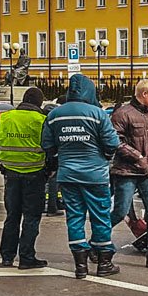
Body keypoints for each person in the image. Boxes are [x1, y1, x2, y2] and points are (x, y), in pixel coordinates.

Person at [42, 74, 121, 279]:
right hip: (95, 175)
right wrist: (105, 155)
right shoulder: (97, 114)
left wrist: (61, 156)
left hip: (67, 175)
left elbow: (47, 145)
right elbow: (112, 143)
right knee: (100, 217)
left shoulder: (55, 115)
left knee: (74, 218)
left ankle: (80, 266)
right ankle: (104, 264)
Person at [109, 79, 148, 269]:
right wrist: (138, 157)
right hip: (127, 172)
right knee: (120, 212)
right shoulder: (123, 114)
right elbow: (116, 141)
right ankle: (98, 243)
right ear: (144, 94)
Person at [0, 86, 49, 269]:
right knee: (31, 217)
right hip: (35, 174)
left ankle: (7, 256)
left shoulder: (6, 118)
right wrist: (48, 169)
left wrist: (7, 161)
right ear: (39, 103)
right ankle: (26, 257)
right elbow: (50, 147)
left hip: (11, 174)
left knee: (12, 216)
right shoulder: (41, 120)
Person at [42, 99, 64, 216]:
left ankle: (52, 204)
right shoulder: (52, 124)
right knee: (53, 183)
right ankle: (52, 207)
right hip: (51, 159)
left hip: (39, 159)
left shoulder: (44, 122)